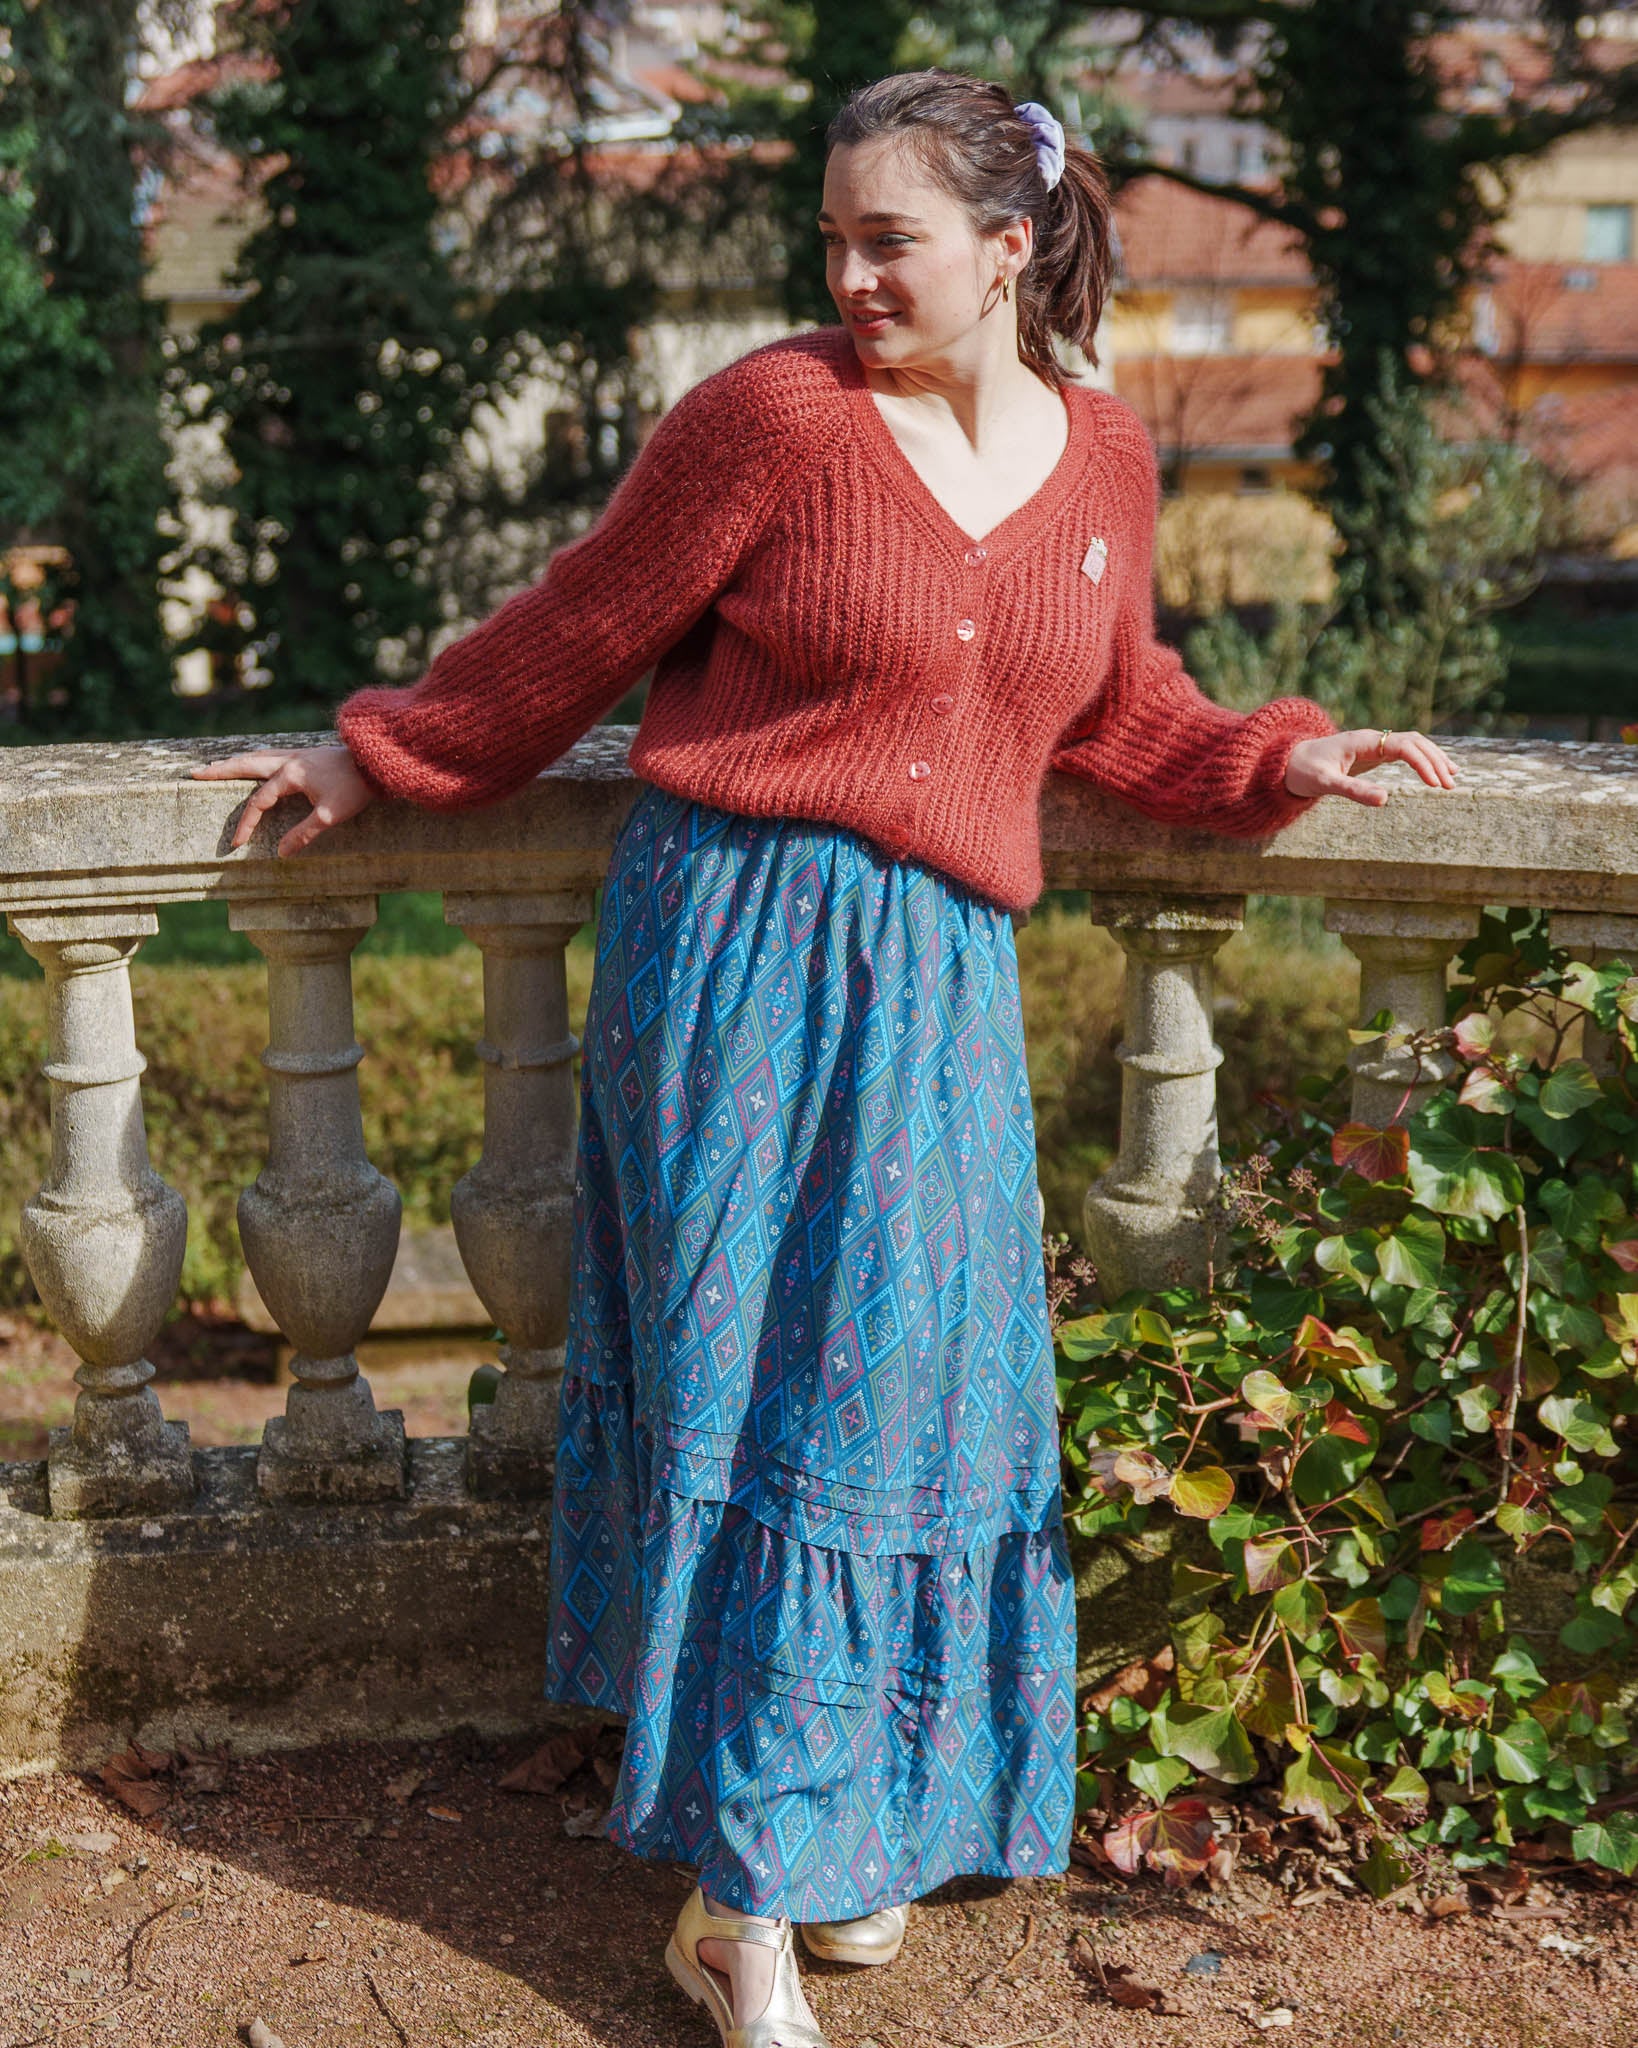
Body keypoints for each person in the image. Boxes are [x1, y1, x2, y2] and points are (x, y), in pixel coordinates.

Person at [192, 67, 1456, 2048]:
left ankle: (832, 1808)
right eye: (834, 243)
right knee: (758, 1388)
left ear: (1008, 246)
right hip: (735, 957)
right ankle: (748, 1893)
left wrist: (1274, 757)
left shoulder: (1106, 459)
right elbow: (582, 627)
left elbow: (1119, 702)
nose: (851, 278)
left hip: (940, 981)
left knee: (915, 1399)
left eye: (892, 241)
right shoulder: (772, 419)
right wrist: (387, 754)